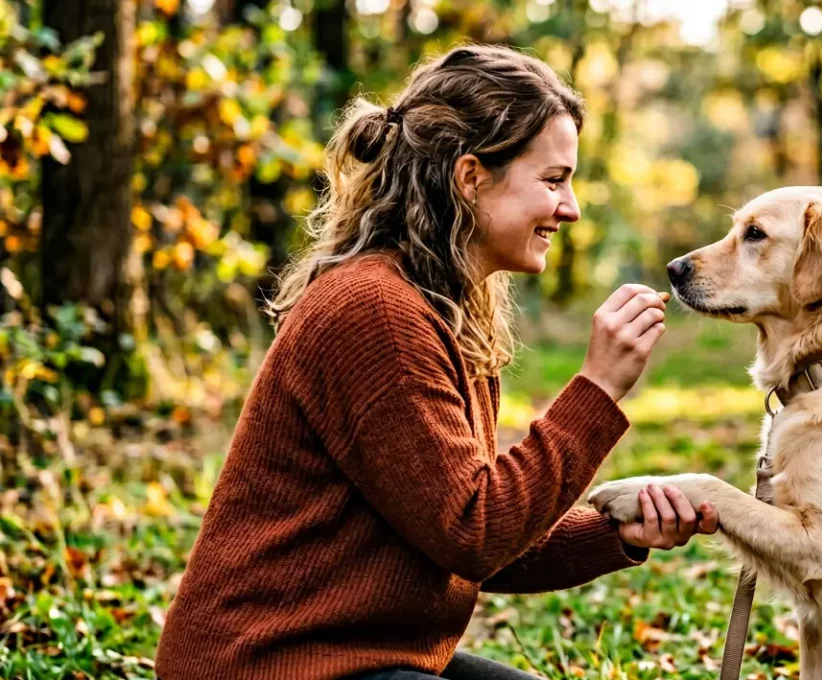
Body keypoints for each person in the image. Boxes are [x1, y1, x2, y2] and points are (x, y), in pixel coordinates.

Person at [154, 44, 719, 680]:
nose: (571, 207)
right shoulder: (374, 312)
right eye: (554, 179)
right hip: (268, 664)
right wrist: (596, 389)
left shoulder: (442, 310)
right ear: (471, 176)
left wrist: (617, 533)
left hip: (354, 658)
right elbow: (473, 531)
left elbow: (466, 532)